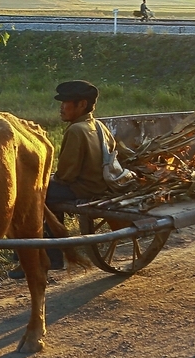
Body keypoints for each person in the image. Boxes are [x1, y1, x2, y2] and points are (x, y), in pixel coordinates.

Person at [8, 80, 116, 279]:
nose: (61, 108)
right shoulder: (98, 125)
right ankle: (48, 252)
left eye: (66, 102)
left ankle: (48, 253)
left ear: (81, 104)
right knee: (45, 189)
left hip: (81, 188)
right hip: (97, 184)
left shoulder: (76, 130)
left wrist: (49, 180)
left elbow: (66, 175)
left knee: (32, 197)